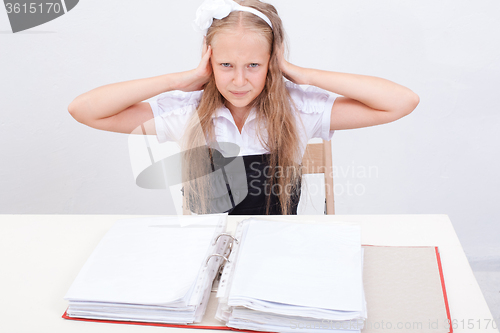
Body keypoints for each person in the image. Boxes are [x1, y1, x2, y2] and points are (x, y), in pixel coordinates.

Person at [68, 0, 419, 215]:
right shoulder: (188, 112)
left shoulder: (298, 110)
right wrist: (179, 80)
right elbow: (85, 109)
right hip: (208, 253)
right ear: (208, 59)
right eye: (225, 66)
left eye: (253, 65)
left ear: (272, 61)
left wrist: (302, 74)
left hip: (278, 252)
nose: (239, 81)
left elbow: (401, 102)